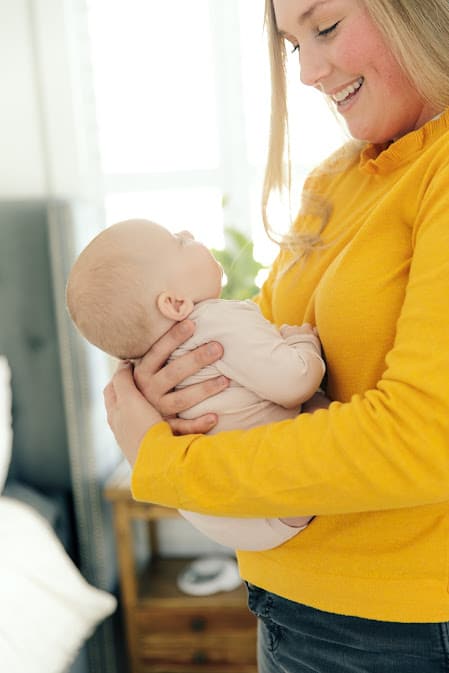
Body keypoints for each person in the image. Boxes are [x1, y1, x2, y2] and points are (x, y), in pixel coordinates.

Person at [103, 0, 449, 671]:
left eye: (324, 28)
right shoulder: (334, 177)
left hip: (395, 628)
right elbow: (263, 336)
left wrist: (170, 463)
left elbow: (424, 434)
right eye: (293, 45)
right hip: (285, 602)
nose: (309, 72)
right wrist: (167, 381)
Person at [66, 218, 324, 551]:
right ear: (174, 303)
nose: (188, 233)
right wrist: (303, 342)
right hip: (280, 495)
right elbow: (294, 381)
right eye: (178, 241)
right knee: (320, 404)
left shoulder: (147, 365)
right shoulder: (219, 321)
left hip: (222, 517)